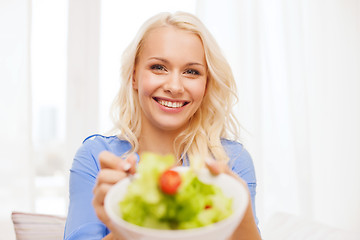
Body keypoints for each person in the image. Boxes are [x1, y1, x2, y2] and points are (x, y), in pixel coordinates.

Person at [64, 11, 261, 240]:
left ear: (206, 84)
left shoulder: (232, 161)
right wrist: (121, 228)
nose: (175, 86)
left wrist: (242, 209)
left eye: (191, 72)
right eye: (159, 67)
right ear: (134, 76)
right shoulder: (96, 158)